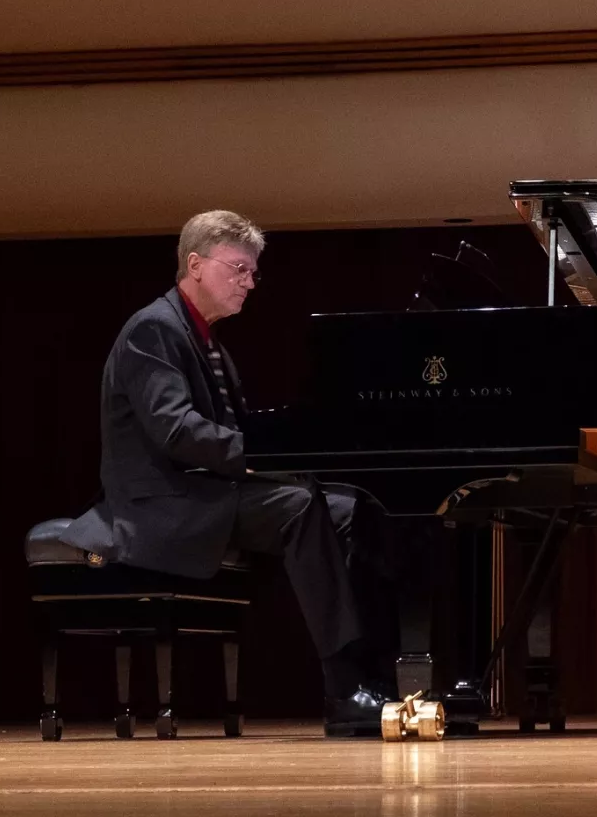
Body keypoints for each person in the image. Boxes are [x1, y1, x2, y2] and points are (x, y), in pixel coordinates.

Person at [61, 210, 395, 736]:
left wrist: (291, 458)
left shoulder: (206, 339)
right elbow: (175, 431)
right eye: (238, 269)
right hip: (164, 505)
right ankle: (341, 689)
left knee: (357, 509)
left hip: (205, 490)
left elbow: (231, 434)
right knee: (303, 507)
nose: (249, 283)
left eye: (253, 273)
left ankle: (379, 674)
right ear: (194, 264)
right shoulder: (153, 329)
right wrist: (267, 459)